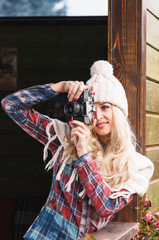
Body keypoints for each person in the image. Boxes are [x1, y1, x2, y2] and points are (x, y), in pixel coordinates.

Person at [1, 60, 154, 240]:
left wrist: (84, 154)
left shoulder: (136, 165)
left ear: (119, 112)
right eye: (92, 108)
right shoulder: (66, 137)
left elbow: (105, 207)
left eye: (105, 107)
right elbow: (11, 105)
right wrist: (58, 87)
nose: (98, 116)